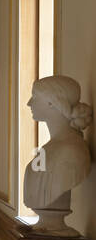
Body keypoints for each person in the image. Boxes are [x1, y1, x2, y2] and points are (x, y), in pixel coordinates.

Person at [22, 75, 92, 231]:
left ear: (52, 102)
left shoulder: (71, 151)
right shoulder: (49, 149)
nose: (29, 103)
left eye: (35, 97)